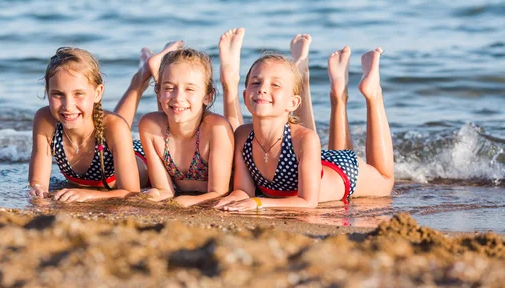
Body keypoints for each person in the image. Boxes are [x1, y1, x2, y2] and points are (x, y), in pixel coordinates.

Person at [215, 38, 395, 210]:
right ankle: (338, 93)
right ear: (245, 97)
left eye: (275, 85)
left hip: (346, 174)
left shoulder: (303, 138)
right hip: (319, 164)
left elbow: (308, 202)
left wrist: (259, 203)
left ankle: (373, 94)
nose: (262, 88)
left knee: (385, 181)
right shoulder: (242, 136)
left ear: (292, 103)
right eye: (256, 82)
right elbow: (243, 192)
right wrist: (223, 202)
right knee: (331, 150)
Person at [28, 42, 183, 202]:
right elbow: (38, 183)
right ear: (47, 92)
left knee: (121, 126)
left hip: (140, 158)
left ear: (98, 92)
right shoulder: (45, 120)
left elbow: (130, 193)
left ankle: (158, 69)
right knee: (110, 124)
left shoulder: (114, 126)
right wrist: (37, 191)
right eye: (58, 94)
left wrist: (88, 195)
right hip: (109, 136)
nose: (68, 105)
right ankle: (141, 75)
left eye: (78, 93)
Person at [138, 39, 236, 207]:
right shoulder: (148, 126)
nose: (178, 96)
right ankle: (158, 71)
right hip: (167, 129)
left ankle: (229, 80)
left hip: (215, 132)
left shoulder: (215, 130)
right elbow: (164, 190)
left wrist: (188, 201)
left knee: (233, 129)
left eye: (190, 89)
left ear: (208, 96)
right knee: (175, 109)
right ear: (158, 93)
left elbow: (219, 192)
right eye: (168, 88)